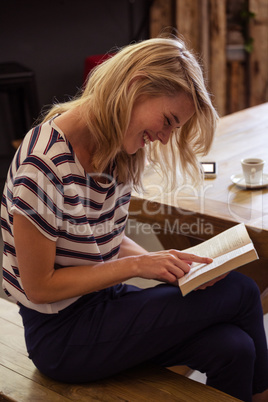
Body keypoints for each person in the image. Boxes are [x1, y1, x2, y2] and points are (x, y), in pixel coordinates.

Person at [1, 35, 268, 402]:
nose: (163, 137)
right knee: (241, 290)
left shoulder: (117, 149)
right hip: (62, 335)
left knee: (234, 347)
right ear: (137, 85)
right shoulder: (43, 163)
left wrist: (170, 265)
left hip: (105, 304)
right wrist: (141, 265)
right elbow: (39, 286)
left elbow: (104, 240)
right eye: (169, 120)